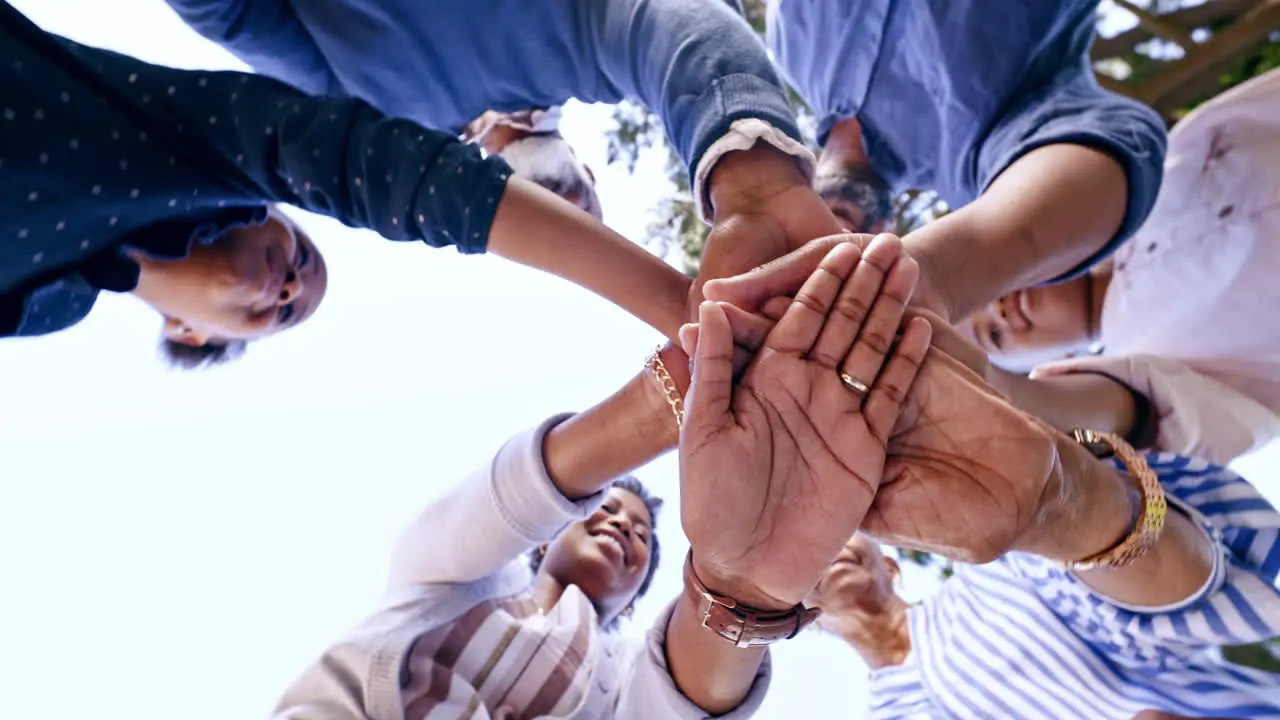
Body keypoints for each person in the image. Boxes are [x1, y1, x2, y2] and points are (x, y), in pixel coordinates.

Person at [272, 235, 933, 718]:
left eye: (643, 534)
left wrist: (743, 581)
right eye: (606, 511)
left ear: (641, 585)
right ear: (543, 541)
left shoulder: (613, 671)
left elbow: (670, 702)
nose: (621, 524)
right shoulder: (446, 590)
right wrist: (662, 402)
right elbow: (485, 514)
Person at [693, 237, 1280, 719]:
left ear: (891, 561)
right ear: (803, 614)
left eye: (846, 532)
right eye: (817, 540)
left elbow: (1196, 591)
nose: (836, 549)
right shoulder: (893, 715)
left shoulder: (995, 571)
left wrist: (1066, 505)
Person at [2, 2, 689, 367]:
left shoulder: (45, 306)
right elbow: (384, 172)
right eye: (303, 252)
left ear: (190, 333)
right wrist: (685, 308)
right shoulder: (203, 152)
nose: (289, 285)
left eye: (282, 311)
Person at [954, 67, 1280, 466]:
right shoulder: (1154, 373)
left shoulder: (1142, 181)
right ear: (1048, 367)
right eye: (993, 336)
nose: (999, 309)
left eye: (988, 288)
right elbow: (1169, 422)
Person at [765, 0, 1167, 323]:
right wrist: (927, 279)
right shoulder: (978, 169)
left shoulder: (786, 46)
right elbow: (1114, 143)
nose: (822, 247)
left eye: (788, 251)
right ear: (888, 230)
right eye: (827, 271)